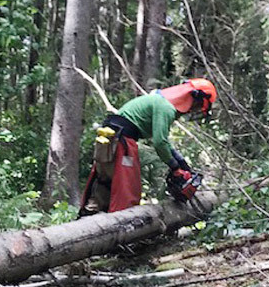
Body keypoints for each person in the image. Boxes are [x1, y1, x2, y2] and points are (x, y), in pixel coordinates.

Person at [79, 78, 217, 216]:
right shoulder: (165, 107)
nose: (194, 110)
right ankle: (121, 228)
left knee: (105, 182)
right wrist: (175, 167)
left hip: (110, 137)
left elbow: (163, 141)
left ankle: (88, 219)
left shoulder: (158, 100)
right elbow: (160, 142)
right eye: (198, 106)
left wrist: (181, 162)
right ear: (194, 98)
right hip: (122, 141)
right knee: (128, 191)